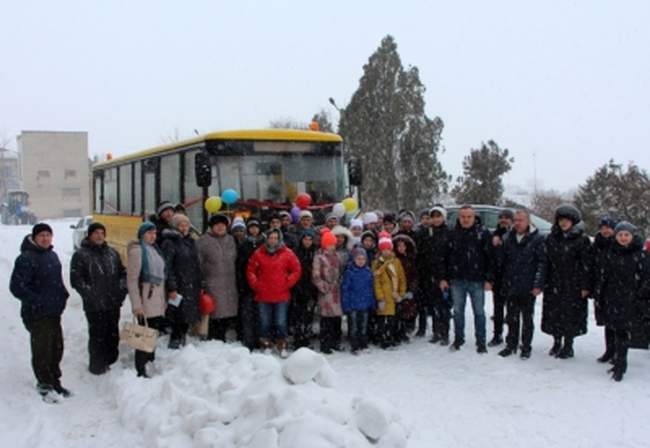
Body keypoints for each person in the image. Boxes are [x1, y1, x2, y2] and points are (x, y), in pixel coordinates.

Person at [10, 223, 70, 402]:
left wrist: (63, 296)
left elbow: (57, 282)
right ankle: (44, 384)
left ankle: (55, 380)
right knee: (42, 349)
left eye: (48, 235)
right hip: (36, 314)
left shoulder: (52, 255)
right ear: (34, 237)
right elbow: (17, 287)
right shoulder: (26, 258)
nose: (45, 238)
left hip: (53, 312)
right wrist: (38, 301)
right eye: (42, 235)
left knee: (56, 348)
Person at [594, 221, 650, 381]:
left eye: (626, 235)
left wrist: (640, 295)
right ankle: (616, 360)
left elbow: (646, 278)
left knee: (623, 333)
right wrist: (601, 294)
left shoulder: (641, 255)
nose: (623, 238)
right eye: (620, 235)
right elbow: (603, 276)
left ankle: (621, 365)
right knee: (615, 330)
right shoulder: (611, 253)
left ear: (632, 236)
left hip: (631, 300)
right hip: (613, 298)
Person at [70, 222, 126, 374]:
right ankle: (97, 365)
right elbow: (76, 280)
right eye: (96, 233)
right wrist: (91, 295)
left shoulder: (112, 253)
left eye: (102, 233)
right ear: (89, 235)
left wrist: (121, 291)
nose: (99, 236)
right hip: (94, 305)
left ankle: (112, 361)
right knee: (97, 335)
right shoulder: (81, 255)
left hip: (113, 302)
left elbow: (123, 274)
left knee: (112, 333)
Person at [440, 205, 493, 353]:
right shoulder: (452, 233)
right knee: (457, 312)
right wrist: (443, 277)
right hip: (457, 280)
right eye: (463, 216)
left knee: (479, 313)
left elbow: (490, 258)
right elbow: (444, 257)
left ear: (474, 217)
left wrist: (489, 279)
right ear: (459, 217)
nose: (466, 219)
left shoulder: (483, 233)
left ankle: (481, 342)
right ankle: (458, 339)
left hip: (477, 279)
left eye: (469, 216)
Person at [542, 205, 591, 359]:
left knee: (570, 314)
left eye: (566, 220)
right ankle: (556, 342)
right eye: (561, 220)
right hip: (554, 281)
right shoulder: (551, 238)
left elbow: (586, 264)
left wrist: (585, 285)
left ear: (573, 222)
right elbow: (546, 261)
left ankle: (568, 345)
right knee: (554, 313)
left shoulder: (582, 240)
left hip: (573, 283)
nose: (563, 223)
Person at [498, 209, 546, 359]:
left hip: (528, 285)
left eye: (521, 220)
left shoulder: (537, 239)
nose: (518, 223)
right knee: (511, 318)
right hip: (511, 284)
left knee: (526, 319)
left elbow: (542, 263)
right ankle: (510, 344)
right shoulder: (508, 237)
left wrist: (538, 284)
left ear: (528, 222)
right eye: (516, 220)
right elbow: (503, 262)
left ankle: (526, 346)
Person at [246, 228, 302, 357]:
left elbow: (296, 270)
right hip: (263, 295)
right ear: (266, 239)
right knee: (265, 322)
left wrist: (287, 282)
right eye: (271, 238)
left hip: (281, 295)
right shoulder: (258, 253)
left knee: (280, 322)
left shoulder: (287, 253)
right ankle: (266, 344)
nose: (273, 240)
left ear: (279, 239)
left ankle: (282, 344)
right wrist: (256, 285)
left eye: (275, 238)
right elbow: (250, 271)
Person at [126, 222, 167, 378]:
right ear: (142, 234)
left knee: (153, 332)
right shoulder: (137, 251)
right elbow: (132, 280)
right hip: (145, 299)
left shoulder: (154, 250)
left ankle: (150, 361)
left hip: (156, 297)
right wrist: (136, 305)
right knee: (144, 333)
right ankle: (141, 369)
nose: (153, 236)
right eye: (149, 233)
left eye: (154, 233)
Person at [160, 214, 202, 349]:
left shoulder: (191, 241)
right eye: (181, 225)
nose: (184, 228)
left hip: (191, 284)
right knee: (177, 315)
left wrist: (200, 283)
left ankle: (182, 338)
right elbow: (167, 266)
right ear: (175, 226)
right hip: (178, 284)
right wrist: (171, 287)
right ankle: (175, 341)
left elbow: (196, 264)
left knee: (187, 315)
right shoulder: (169, 242)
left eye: (186, 225)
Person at [197, 214, 239, 341]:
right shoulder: (203, 241)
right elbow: (198, 263)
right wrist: (201, 282)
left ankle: (223, 338)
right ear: (211, 227)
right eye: (217, 225)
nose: (220, 227)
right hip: (211, 283)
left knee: (227, 313)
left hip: (230, 282)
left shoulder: (231, 240)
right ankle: (214, 339)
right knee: (214, 313)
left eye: (223, 225)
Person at [372, 232, 407, 349]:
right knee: (382, 321)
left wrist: (401, 293)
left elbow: (402, 278)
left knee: (393, 320)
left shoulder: (396, 262)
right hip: (384, 297)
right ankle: (383, 339)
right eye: (383, 249)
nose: (386, 251)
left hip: (394, 296)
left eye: (388, 249)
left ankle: (391, 337)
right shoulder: (377, 263)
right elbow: (376, 282)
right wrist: (380, 297)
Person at [590, 216, 617, 363]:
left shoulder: (618, 243)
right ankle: (609, 350)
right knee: (606, 321)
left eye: (608, 227)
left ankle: (618, 352)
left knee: (617, 322)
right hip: (601, 287)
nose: (605, 230)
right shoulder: (597, 244)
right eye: (603, 227)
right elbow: (591, 265)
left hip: (616, 287)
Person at [312, 229, 343, 354]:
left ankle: (336, 342)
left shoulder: (337, 256)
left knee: (337, 318)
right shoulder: (319, 257)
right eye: (330, 243)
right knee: (326, 319)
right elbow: (316, 275)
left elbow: (340, 271)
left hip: (336, 291)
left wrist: (340, 282)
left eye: (333, 244)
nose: (332, 246)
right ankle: (325, 344)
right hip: (325, 292)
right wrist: (324, 287)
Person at [236, 217, 265, 350]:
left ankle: (260, 340)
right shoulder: (244, 244)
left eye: (256, 227)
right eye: (251, 227)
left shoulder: (265, 244)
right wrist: (242, 284)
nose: (254, 229)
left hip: (262, 286)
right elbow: (239, 266)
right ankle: (248, 341)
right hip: (247, 286)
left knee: (261, 315)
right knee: (247, 315)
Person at [341, 247, 376, 353]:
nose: (360, 261)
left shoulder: (368, 272)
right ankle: (354, 344)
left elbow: (371, 289)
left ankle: (363, 342)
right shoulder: (350, 272)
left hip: (365, 304)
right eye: (358, 259)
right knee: (354, 326)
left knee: (363, 325)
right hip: (353, 305)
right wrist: (346, 304)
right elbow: (345, 289)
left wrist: (372, 302)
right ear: (354, 260)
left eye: (363, 259)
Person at [488, 209, 514, 347]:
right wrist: (490, 278)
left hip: (512, 278)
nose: (504, 220)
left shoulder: (515, 235)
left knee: (512, 311)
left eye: (507, 218)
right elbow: (490, 258)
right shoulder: (494, 235)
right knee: (498, 310)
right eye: (501, 218)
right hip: (498, 278)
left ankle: (512, 337)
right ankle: (497, 336)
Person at [427, 206, 452, 345]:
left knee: (444, 306)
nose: (436, 219)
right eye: (434, 217)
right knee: (434, 305)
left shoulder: (448, 233)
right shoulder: (429, 232)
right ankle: (436, 331)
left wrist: (445, 277)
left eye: (439, 216)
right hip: (431, 274)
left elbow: (450, 257)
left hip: (444, 275)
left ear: (443, 217)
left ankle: (445, 333)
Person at [290, 229, 318, 349]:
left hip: (311, 288)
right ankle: (298, 339)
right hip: (298, 288)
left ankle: (306, 338)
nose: (308, 242)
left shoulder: (315, 253)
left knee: (308, 315)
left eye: (310, 239)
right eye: (306, 239)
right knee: (297, 315)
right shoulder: (295, 253)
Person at [393, 234, 419, 342]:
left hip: (408, 289)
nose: (401, 248)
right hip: (396, 289)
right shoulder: (393, 260)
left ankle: (404, 331)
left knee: (406, 312)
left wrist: (412, 288)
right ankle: (397, 332)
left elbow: (415, 275)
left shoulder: (411, 259)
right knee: (396, 312)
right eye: (399, 246)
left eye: (403, 246)